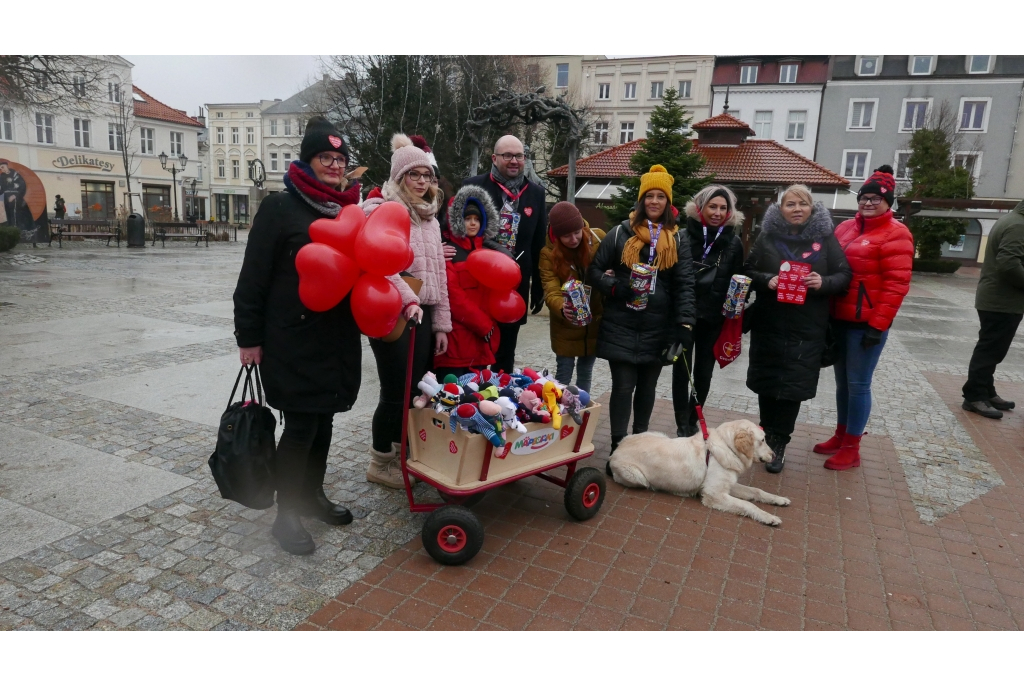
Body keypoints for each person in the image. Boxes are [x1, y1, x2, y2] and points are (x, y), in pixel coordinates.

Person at [233, 117, 361, 555]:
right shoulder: (279, 207)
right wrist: (248, 337)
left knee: (323, 420)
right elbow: (253, 278)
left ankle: (311, 495)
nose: (333, 165)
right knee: (301, 425)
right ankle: (286, 512)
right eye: (325, 157)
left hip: (335, 335)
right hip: (290, 338)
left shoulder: (348, 209)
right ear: (308, 160)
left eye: (340, 159)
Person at [364, 134, 452, 489]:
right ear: (399, 178)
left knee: (417, 388)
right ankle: (380, 460)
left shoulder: (430, 218)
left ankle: (404, 453)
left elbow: (439, 275)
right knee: (394, 391)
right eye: (413, 175)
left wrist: (441, 324)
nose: (421, 182)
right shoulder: (384, 210)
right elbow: (379, 263)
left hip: (424, 312)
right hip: (394, 312)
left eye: (426, 176)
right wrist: (408, 299)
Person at [589, 165, 696, 454]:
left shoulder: (677, 239)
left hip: (658, 327)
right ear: (641, 200)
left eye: (661, 196)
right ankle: (618, 445)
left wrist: (684, 324)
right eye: (649, 195)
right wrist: (615, 287)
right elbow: (595, 271)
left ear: (668, 202)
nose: (654, 202)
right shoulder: (619, 233)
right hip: (621, 323)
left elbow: (685, 284)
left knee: (647, 389)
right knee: (623, 387)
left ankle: (638, 445)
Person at [744, 184, 851, 474]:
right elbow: (748, 270)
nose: (797, 209)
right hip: (770, 322)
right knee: (767, 383)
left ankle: (780, 442)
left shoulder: (825, 238)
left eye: (802, 204)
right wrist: (767, 279)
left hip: (808, 327)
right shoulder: (767, 236)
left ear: (812, 207)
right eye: (790, 204)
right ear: (781, 209)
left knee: (792, 387)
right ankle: (765, 434)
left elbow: (844, 274)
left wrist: (823, 282)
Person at [815, 166, 914, 469]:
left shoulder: (897, 234)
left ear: (888, 202)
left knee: (858, 384)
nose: (868, 203)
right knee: (842, 383)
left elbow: (897, 285)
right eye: (864, 197)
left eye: (876, 198)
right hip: (839, 318)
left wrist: (877, 325)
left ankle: (852, 447)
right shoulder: (845, 228)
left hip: (866, 325)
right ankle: (841, 434)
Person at [462, 135, 548, 372]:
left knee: (506, 354)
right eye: (507, 155)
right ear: (494, 158)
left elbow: (539, 243)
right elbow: (457, 234)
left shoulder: (536, 193)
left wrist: (538, 287)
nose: (514, 161)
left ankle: (501, 404)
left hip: (515, 286)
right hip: (477, 282)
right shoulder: (472, 187)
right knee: (474, 350)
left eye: (519, 156)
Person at [672, 184, 746, 437]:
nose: (717, 212)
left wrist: (736, 305)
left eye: (723, 208)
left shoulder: (734, 242)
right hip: (684, 316)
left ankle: (694, 417)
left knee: (704, 372)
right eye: (712, 206)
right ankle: (681, 422)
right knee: (682, 371)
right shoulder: (681, 236)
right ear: (700, 208)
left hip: (714, 318)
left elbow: (739, 278)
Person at [433, 184, 507, 378]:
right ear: (457, 221)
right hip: (458, 342)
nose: (473, 223)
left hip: (482, 343)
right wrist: (483, 325)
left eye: (477, 219)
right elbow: (453, 296)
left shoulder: (488, 254)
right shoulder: (450, 252)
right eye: (467, 219)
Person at [960, 198, 1024, 420]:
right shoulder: (1018, 225)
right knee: (990, 350)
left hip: (1000, 299)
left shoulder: (1012, 219)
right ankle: (974, 396)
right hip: (1001, 301)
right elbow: (1009, 264)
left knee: (993, 348)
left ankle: (986, 391)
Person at [539, 201, 605, 393]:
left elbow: (613, 264)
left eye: (577, 232)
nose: (574, 239)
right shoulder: (548, 254)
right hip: (565, 326)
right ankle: (561, 411)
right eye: (566, 236)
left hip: (593, 322)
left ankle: (582, 411)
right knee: (564, 374)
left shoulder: (598, 238)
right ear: (557, 236)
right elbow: (550, 289)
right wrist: (561, 307)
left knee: (586, 372)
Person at [0, 159, 33, 234]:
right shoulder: (2, 176)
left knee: (17, 213)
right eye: (0, 168)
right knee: (9, 213)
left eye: (2, 167)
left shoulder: (15, 174)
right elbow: (2, 189)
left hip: (16, 197)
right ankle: (11, 230)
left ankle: (19, 230)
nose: (1, 169)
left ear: (6, 166)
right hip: (6, 197)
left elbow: (22, 186)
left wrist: (15, 195)